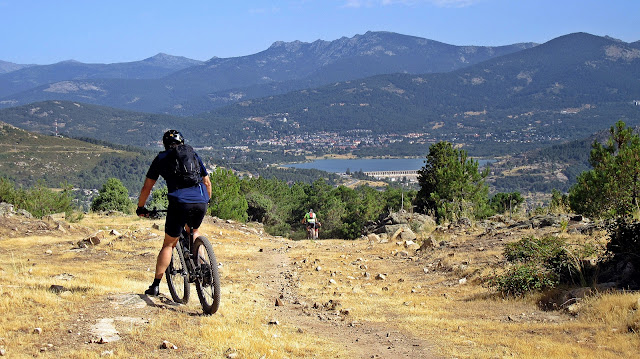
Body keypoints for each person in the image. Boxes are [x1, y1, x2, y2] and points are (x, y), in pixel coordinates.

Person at [136, 130, 212, 296]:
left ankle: (155, 285)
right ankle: (203, 266)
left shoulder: (161, 158)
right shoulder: (192, 154)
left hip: (179, 202)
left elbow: (147, 187)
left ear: (165, 144)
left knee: (169, 244)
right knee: (195, 231)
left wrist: (141, 208)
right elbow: (207, 181)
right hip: (200, 200)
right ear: (182, 142)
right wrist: (207, 200)